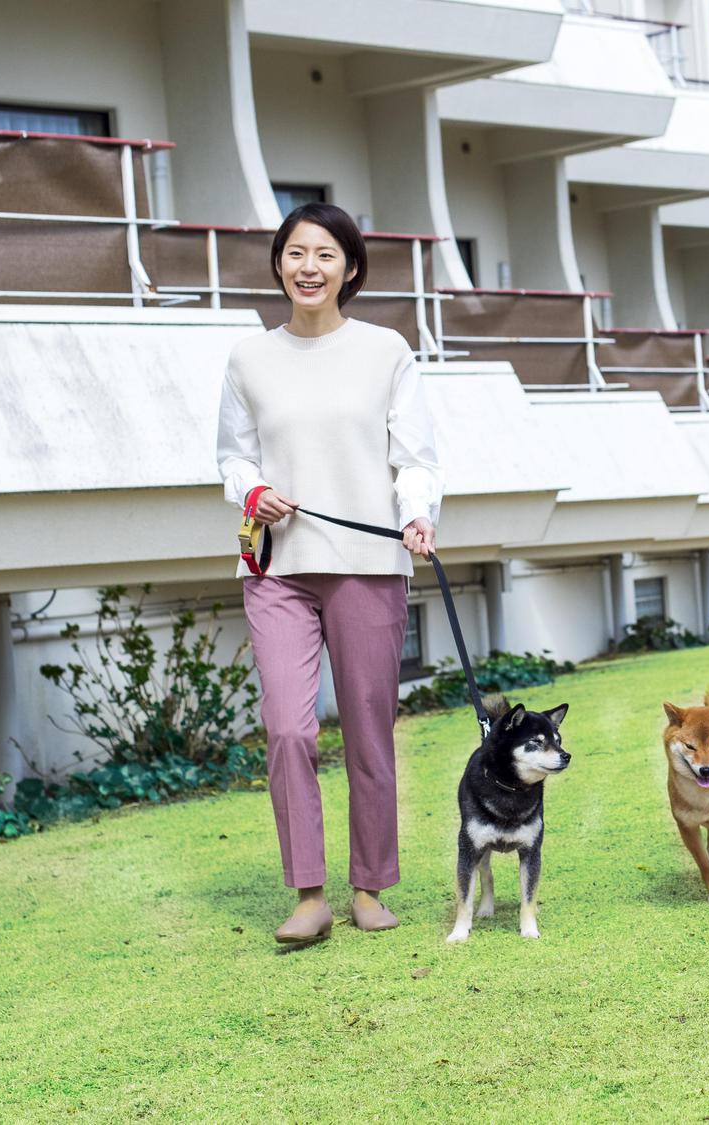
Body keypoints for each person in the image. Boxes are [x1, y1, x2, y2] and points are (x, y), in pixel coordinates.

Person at [215, 202, 441, 942]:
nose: (308, 267)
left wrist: (417, 514)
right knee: (287, 728)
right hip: (277, 564)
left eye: (325, 255)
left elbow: (414, 456)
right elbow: (233, 453)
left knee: (369, 730)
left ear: (349, 268)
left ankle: (370, 885)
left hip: (368, 561)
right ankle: (308, 893)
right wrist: (251, 490)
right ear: (278, 261)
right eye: (295, 253)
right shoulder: (250, 358)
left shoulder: (386, 352)